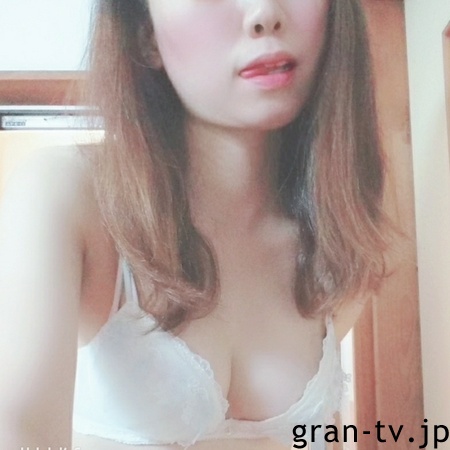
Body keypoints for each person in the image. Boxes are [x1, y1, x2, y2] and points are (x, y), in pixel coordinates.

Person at [0, 0, 388, 449]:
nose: (264, 12)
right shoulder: (66, 192)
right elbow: (18, 427)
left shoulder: (341, 239)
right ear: (145, 34)